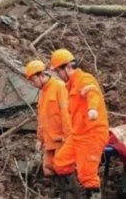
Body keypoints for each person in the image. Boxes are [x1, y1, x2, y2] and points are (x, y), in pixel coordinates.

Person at [51, 49, 109, 199]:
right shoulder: (71, 85)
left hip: (92, 134)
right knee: (60, 163)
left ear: (67, 67)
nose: (58, 75)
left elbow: (92, 93)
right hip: (77, 134)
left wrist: (92, 109)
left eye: (58, 71)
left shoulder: (84, 79)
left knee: (87, 176)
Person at [24, 60, 77, 198]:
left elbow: (66, 114)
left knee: (64, 168)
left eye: (32, 80)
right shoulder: (42, 93)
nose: (32, 84)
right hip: (49, 140)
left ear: (41, 75)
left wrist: (68, 137)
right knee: (49, 169)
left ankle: (72, 195)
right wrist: (40, 138)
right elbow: (42, 118)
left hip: (61, 139)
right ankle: (60, 194)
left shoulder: (59, 87)